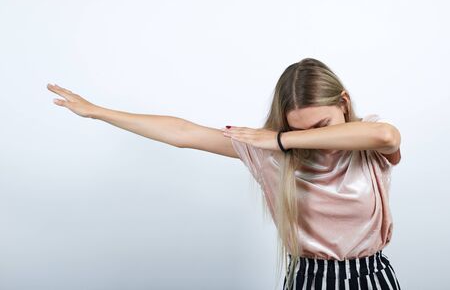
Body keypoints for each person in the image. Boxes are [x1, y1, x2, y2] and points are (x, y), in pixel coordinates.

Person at [47, 57, 402, 290]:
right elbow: (185, 133)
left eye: (321, 126)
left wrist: (282, 138)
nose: (314, 141)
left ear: (343, 102)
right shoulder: (272, 155)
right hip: (309, 281)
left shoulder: (367, 141)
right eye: (298, 130)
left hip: (372, 278)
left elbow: (388, 136)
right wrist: (98, 112)